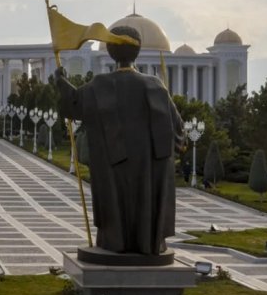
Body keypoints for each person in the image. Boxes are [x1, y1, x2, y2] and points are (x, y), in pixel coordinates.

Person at [55, 25, 184, 255]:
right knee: (146, 200)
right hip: (148, 165)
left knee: (116, 201)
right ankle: (148, 243)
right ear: (138, 51)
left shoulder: (100, 85)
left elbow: (73, 105)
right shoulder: (156, 86)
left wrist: (61, 81)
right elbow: (178, 130)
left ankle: (115, 242)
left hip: (114, 164)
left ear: (111, 52)